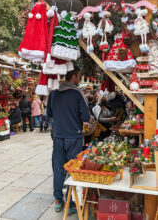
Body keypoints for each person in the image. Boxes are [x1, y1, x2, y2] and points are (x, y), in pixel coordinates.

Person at [47, 66, 92, 214]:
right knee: (73, 170)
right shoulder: (77, 93)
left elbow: (49, 114)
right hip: (74, 136)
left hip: (58, 136)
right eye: (79, 76)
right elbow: (85, 117)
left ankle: (58, 200)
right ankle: (72, 203)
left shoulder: (53, 93)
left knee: (59, 169)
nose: (79, 79)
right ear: (74, 76)